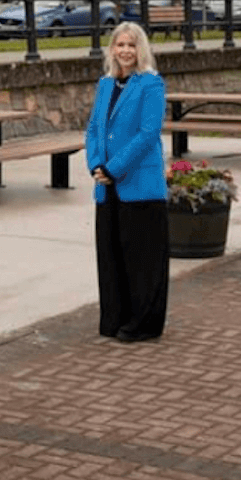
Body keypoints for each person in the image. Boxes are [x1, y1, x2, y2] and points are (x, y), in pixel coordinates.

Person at [85, 21, 169, 343]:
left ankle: (142, 323)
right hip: (106, 186)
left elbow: (148, 134)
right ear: (112, 49)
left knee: (142, 259)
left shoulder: (151, 84)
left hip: (139, 184)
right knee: (112, 255)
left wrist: (113, 168)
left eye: (131, 45)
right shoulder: (105, 84)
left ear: (141, 49)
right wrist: (95, 164)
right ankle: (114, 318)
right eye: (120, 45)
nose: (125, 51)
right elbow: (93, 128)